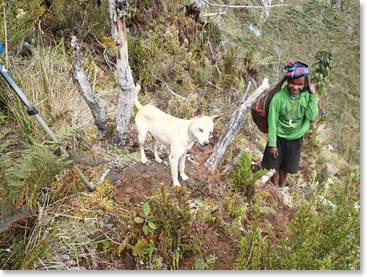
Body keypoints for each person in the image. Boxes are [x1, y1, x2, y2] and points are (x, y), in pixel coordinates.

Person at [261, 60, 319, 187]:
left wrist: (313, 95)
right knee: (273, 165)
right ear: (287, 81)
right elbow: (272, 121)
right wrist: (272, 143)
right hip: (278, 136)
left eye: (300, 84)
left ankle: (282, 186)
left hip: (295, 138)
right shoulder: (279, 98)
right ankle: (274, 188)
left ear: (305, 84)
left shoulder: (306, 97)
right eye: (292, 83)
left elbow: (311, 116)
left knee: (286, 166)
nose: (295, 87)